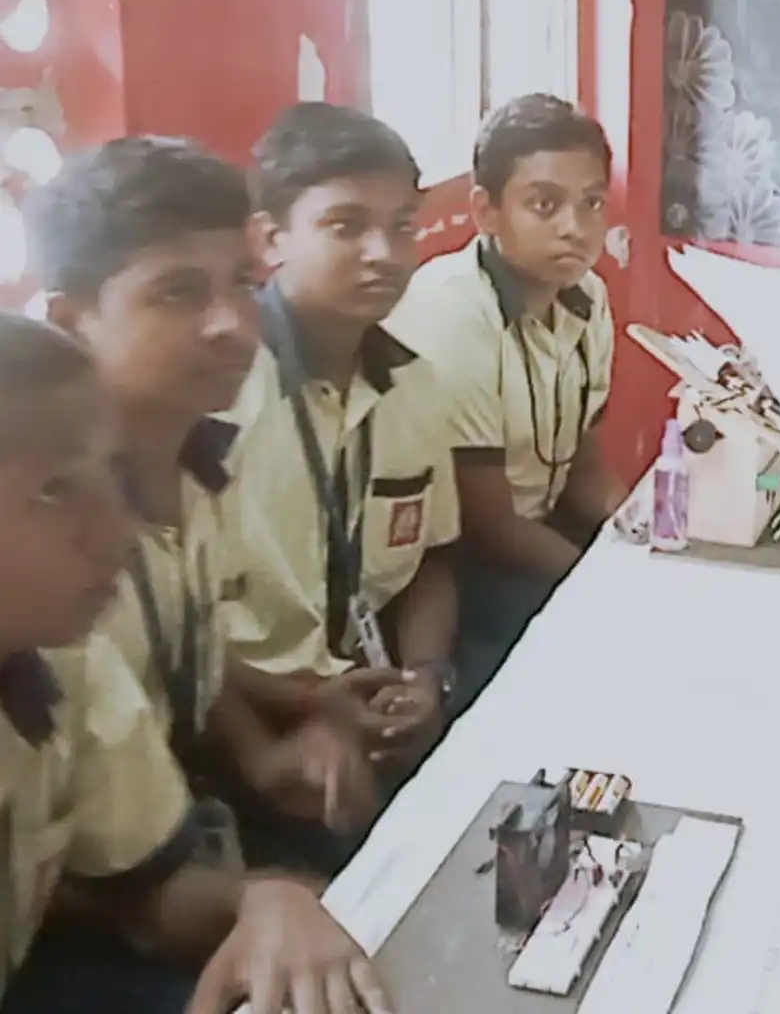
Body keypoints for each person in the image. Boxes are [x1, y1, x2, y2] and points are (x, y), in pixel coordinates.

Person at [0, 313, 388, 1014]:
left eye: (111, 475)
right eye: (55, 490)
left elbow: (151, 890)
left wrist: (263, 900)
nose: (120, 532)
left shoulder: (65, 658)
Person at [25, 136, 379, 858]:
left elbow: (189, 651)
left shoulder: (203, 463)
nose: (231, 324)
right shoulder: (48, 534)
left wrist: (272, 742)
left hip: (188, 799)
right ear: (69, 323)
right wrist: (239, 898)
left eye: (242, 285)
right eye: (178, 293)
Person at [226, 103, 460, 831]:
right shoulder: (220, 395)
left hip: (362, 686)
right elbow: (176, 632)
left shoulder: (415, 385)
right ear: (271, 239)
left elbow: (431, 562)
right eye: (344, 225)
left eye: (402, 227)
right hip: (245, 718)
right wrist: (291, 724)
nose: (383, 253)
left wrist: (426, 678)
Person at [386, 94, 624, 705]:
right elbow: (488, 526)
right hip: (462, 563)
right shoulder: (453, 312)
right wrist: (605, 582)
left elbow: (585, 464)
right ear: (485, 211)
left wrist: (635, 537)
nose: (576, 227)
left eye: (593, 203)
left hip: (541, 531)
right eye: (544, 205)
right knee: (604, 652)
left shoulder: (588, 296)